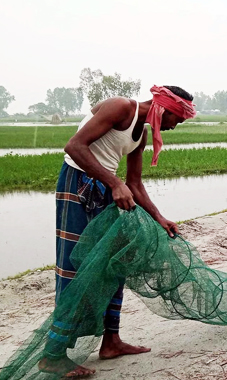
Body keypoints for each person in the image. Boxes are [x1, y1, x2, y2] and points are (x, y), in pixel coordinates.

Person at [39, 85, 196, 378]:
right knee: (75, 268)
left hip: (104, 188)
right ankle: (53, 354)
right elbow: (74, 147)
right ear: (164, 107)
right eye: (177, 118)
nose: (174, 126)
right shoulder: (122, 107)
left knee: (116, 263)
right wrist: (114, 183)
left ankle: (111, 342)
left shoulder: (142, 133)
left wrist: (159, 217)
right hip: (78, 184)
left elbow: (134, 183)